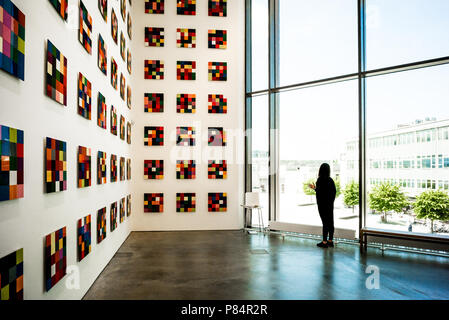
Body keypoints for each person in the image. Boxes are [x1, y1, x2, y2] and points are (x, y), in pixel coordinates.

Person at [309, 163, 336, 248]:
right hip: (330, 205)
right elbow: (333, 192)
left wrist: (315, 188)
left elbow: (320, 192)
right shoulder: (331, 180)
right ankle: (330, 241)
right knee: (330, 222)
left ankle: (324, 242)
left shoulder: (320, 180)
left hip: (322, 205)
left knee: (325, 223)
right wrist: (331, 201)